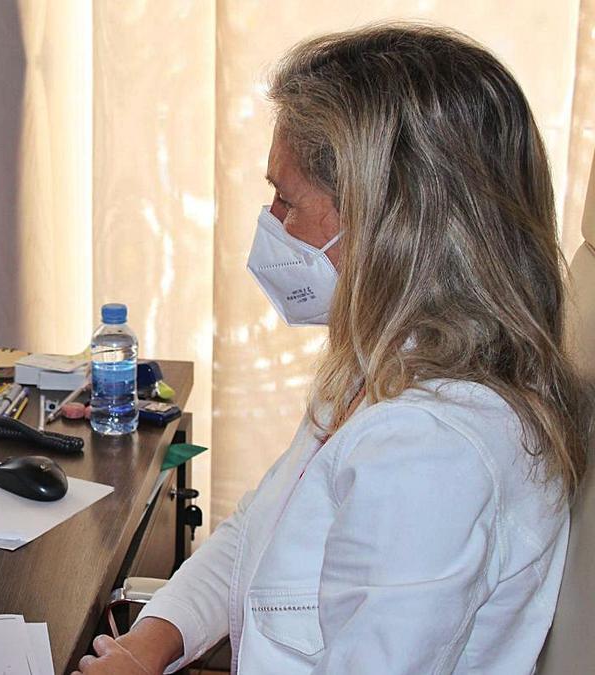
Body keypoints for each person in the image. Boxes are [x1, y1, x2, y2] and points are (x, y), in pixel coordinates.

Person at [75, 25, 593, 675]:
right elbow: (252, 536)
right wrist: (145, 645)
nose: (271, 225)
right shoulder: (384, 364)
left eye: (286, 200)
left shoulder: (434, 454)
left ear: (389, 223)